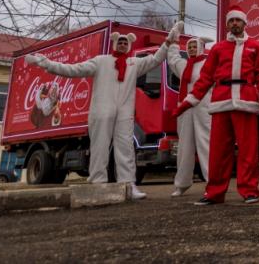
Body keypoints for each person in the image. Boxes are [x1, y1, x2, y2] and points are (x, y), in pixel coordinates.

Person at [25, 32, 169, 199]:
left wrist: (168, 42)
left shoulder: (134, 64)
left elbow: (156, 59)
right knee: (99, 148)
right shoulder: (101, 61)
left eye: (125, 42)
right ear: (115, 43)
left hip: (124, 113)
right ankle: (98, 184)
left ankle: (129, 185)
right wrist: (45, 63)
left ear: (129, 45)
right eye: (120, 41)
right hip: (102, 111)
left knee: (126, 149)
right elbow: (74, 69)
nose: (122, 44)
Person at [173, 6, 259, 205]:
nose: (235, 23)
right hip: (220, 102)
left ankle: (249, 190)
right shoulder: (218, 49)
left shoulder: (256, 46)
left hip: (245, 101)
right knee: (218, 151)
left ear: (245, 23)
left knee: (248, 150)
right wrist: (190, 100)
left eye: (238, 20)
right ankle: (214, 193)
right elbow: (206, 78)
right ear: (227, 24)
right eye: (231, 21)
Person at [166, 22, 212, 197]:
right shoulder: (184, 65)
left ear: (201, 47)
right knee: (184, 147)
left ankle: (212, 182)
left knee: (205, 144)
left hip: (203, 108)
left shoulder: (208, 63)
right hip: (185, 110)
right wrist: (175, 39)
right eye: (190, 46)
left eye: (195, 46)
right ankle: (182, 184)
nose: (192, 49)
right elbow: (173, 58)